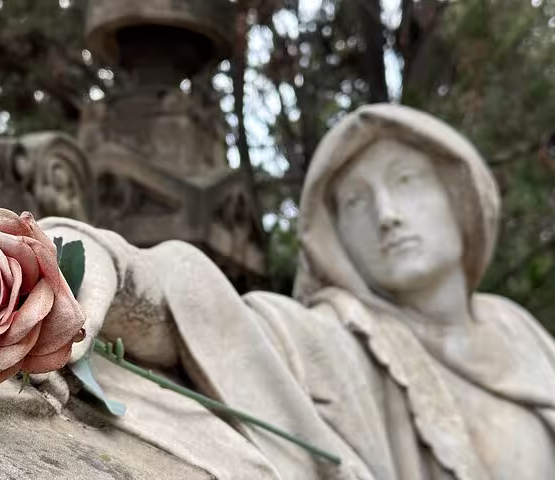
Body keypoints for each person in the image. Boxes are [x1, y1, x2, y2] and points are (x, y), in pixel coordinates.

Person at [39, 104, 555, 480]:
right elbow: (211, 316)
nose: (387, 215)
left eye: (406, 180)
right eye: (355, 201)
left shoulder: (524, 334)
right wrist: (97, 260)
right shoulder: (340, 340)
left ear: (461, 197)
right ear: (334, 238)